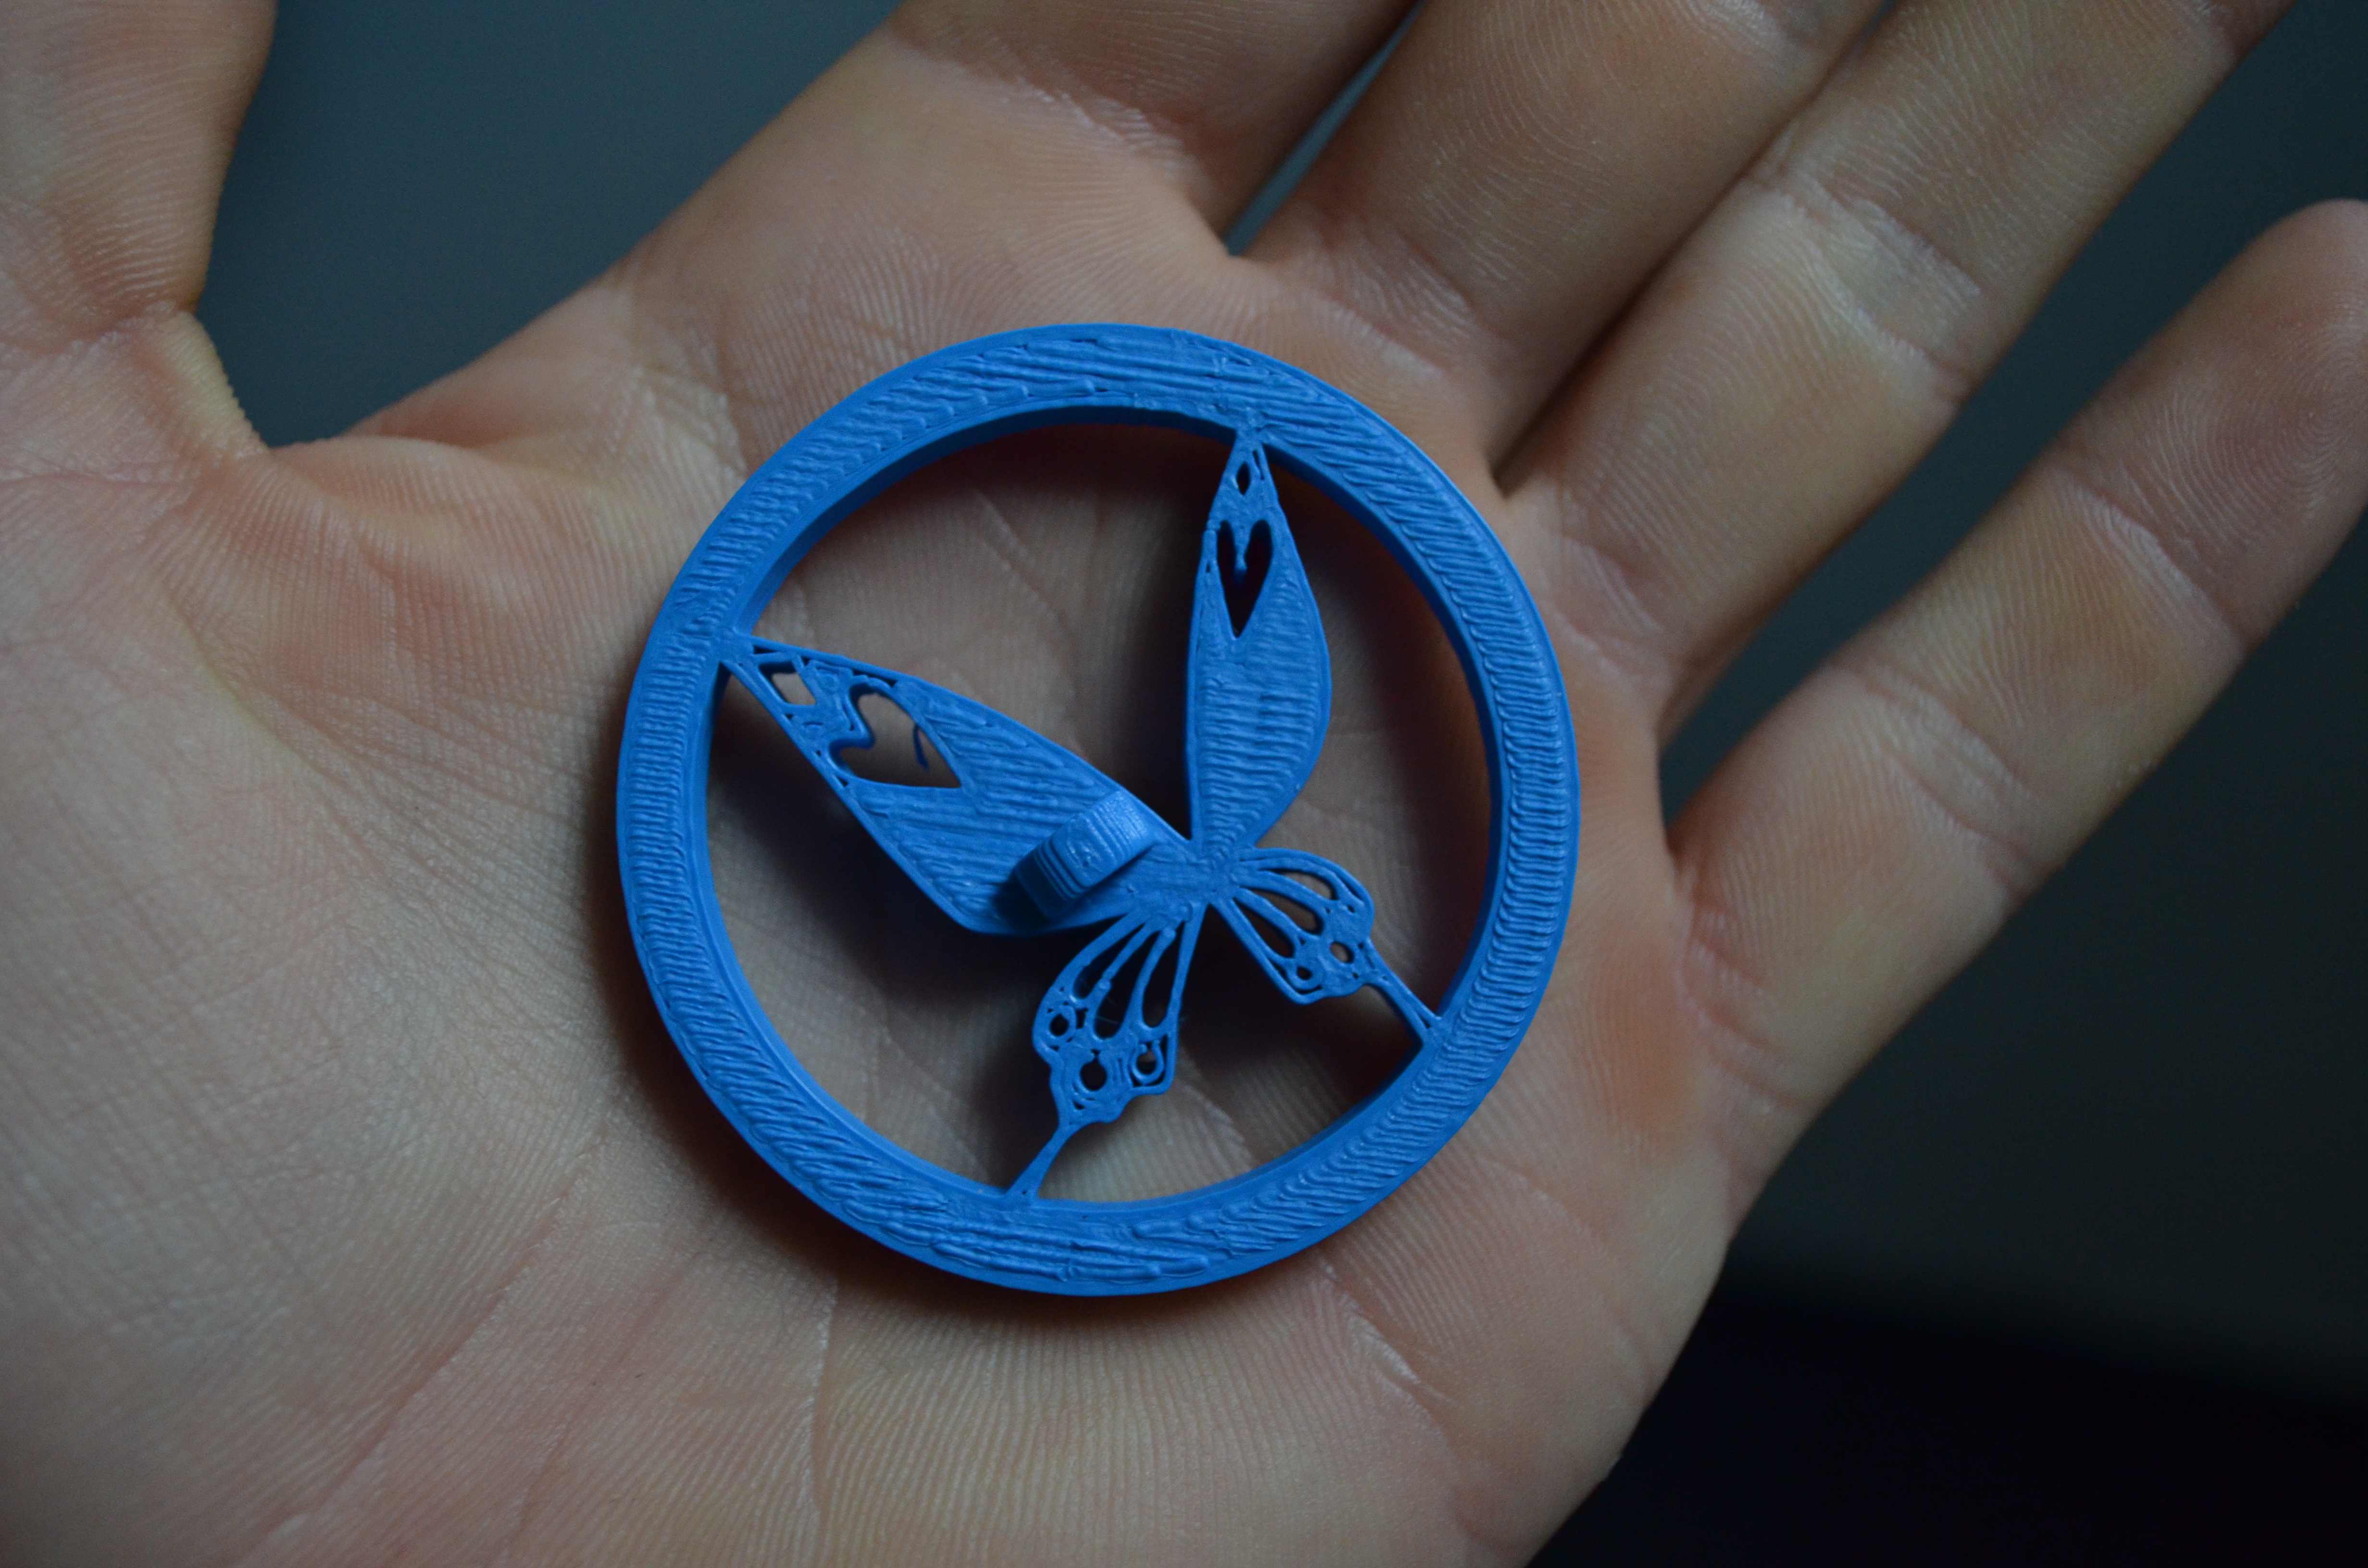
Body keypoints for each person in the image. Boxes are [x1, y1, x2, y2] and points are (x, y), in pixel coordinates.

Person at [3, 0, 2361, 1560]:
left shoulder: (1218, 820)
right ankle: (1071, 1113)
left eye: (1319, 940)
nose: (1305, 929)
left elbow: (1167, 605)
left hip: (1126, 933)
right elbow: (971, 689)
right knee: (1092, 916)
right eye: (1321, 934)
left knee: (1128, 916)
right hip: (1103, 937)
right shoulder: (1157, 816)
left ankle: (1076, 1111)